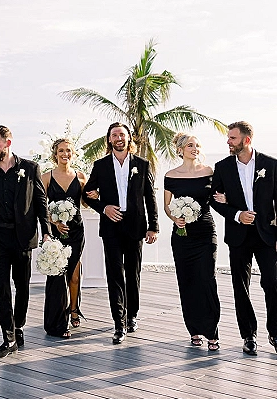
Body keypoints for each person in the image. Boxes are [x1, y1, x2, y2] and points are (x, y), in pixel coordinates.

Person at [0, 125, 52, 359]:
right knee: (2, 288)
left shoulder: (30, 168)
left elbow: (41, 201)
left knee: (22, 286)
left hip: (23, 238)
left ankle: (18, 325)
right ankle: (8, 338)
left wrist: (47, 232)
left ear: (8, 143)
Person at [85, 122, 158, 344]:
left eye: (122, 135)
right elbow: (88, 194)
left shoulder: (142, 164)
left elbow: (150, 198)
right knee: (114, 274)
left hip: (135, 226)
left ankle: (132, 315)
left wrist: (153, 226)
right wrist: (104, 208)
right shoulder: (100, 165)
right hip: (111, 227)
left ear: (129, 138)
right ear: (109, 139)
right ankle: (119, 322)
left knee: (132, 274)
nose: (119, 138)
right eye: (114, 135)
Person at [211, 121, 277, 356]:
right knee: (241, 286)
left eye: (233, 138)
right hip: (238, 235)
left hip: (267, 235)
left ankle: (275, 332)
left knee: (272, 283)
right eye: (229, 138)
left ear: (246, 140)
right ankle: (248, 335)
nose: (228, 142)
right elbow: (214, 200)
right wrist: (237, 214)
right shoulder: (222, 167)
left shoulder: (271, 165)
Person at [163, 134, 220, 351]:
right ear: (180, 150)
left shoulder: (209, 172)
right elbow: (167, 206)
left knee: (206, 280)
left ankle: (212, 331)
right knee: (186, 282)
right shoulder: (171, 175)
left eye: (197, 145)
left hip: (206, 232)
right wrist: (174, 218)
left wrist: (224, 199)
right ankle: (194, 329)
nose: (195, 148)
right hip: (182, 235)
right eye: (190, 145)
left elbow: (218, 196)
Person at [41, 138, 87, 338]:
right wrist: (54, 222)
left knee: (74, 275)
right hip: (56, 233)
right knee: (57, 276)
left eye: (68, 150)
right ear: (55, 154)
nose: (64, 153)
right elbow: (40, 207)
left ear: (73, 153)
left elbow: (85, 204)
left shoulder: (81, 176)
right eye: (61, 150)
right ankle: (57, 321)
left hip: (76, 232)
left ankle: (74, 309)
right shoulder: (46, 177)